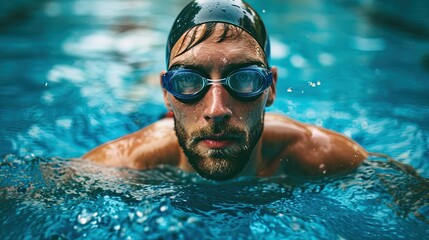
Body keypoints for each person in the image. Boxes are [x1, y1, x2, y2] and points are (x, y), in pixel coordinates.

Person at [83, 0, 368, 181]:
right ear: (167, 93)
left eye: (245, 79)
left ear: (270, 88)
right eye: (186, 80)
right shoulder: (122, 165)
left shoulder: (325, 155)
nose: (216, 110)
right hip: (155, 121)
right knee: (133, 91)